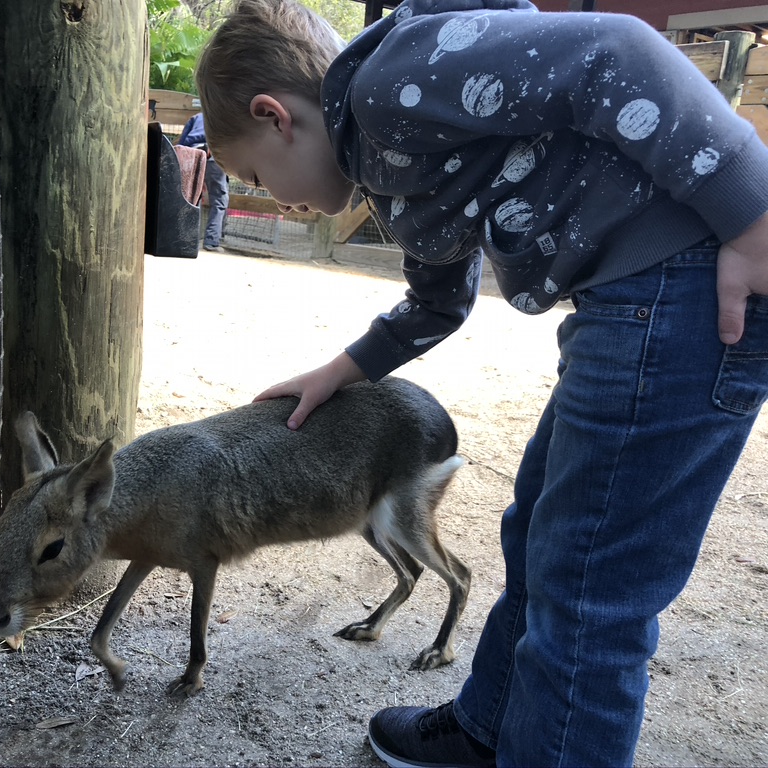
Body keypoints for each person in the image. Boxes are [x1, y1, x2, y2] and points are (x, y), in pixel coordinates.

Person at [194, 0, 768, 765]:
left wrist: (752, 213)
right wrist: (340, 371)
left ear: (275, 116)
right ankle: (491, 726)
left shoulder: (390, 86)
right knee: (539, 534)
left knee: (589, 593)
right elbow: (439, 300)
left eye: (257, 173)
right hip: (625, 307)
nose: (280, 197)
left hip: (682, 297)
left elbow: (617, 50)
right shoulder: (387, 168)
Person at [177, 111, 231, 251]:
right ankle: (211, 241)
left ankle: (187, 239)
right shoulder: (222, 115)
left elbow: (182, 142)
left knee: (192, 198)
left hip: (192, 155)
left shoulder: (196, 117)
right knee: (219, 200)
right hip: (214, 156)